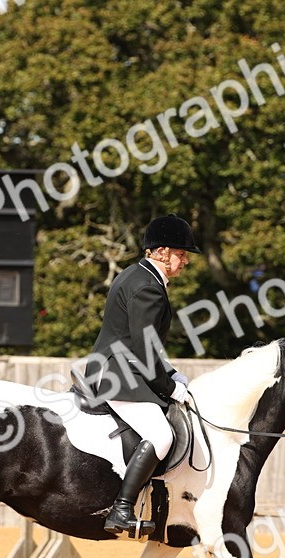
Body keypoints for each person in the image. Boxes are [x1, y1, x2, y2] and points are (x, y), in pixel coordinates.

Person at [85, 213, 200, 535]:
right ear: (161, 252)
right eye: (181, 255)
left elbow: (143, 344)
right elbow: (144, 349)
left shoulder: (137, 276)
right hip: (118, 375)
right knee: (162, 435)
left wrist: (172, 373)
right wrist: (169, 387)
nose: (185, 262)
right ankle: (121, 509)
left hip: (122, 367)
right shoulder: (147, 287)